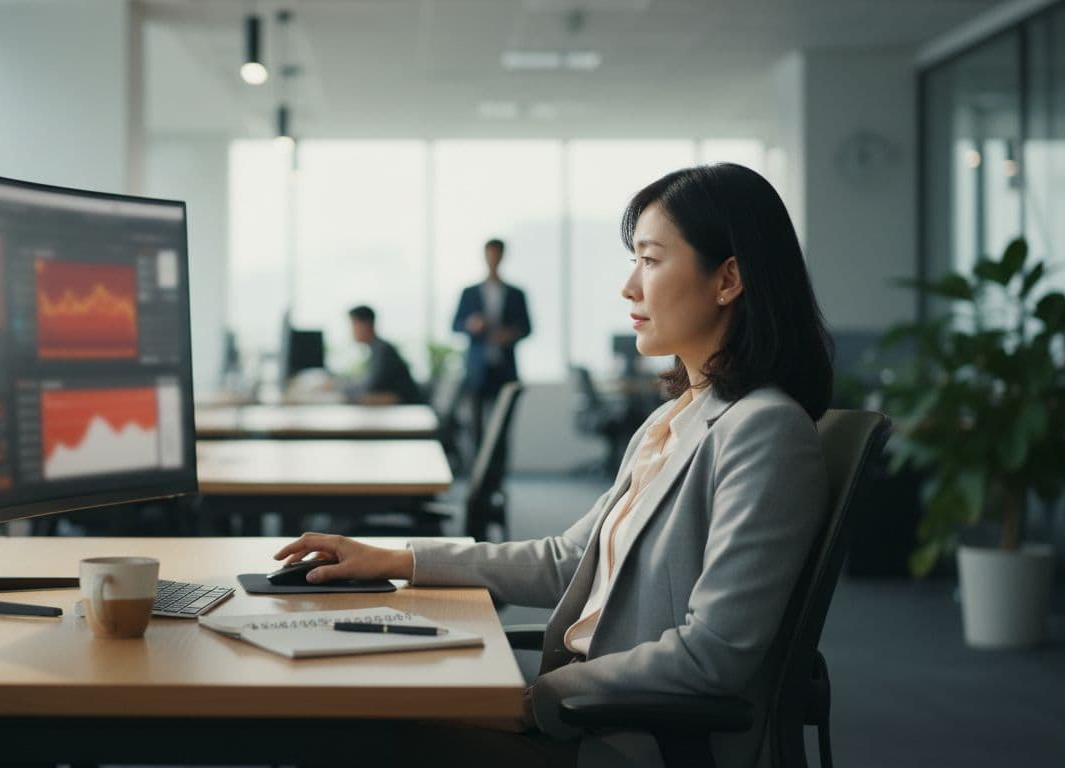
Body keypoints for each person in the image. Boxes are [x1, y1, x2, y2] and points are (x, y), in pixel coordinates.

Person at [272, 163, 834, 768]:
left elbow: (711, 655)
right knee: (344, 707)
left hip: (625, 737)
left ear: (728, 279)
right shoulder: (673, 418)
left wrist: (530, 702)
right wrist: (396, 560)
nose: (629, 288)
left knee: (343, 729)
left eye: (650, 260)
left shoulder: (763, 431)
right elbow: (568, 559)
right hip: (584, 714)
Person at [452, 238, 532, 463]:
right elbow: (455, 325)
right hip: (477, 370)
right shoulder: (469, 293)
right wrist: (471, 325)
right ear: (485, 256)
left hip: (504, 369)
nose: (493, 259)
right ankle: (477, 474)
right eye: (490, 254)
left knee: (502, 428)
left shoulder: (516, 294)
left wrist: (511, 334)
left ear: (503, 256)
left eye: (497, 254)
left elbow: (527, 328)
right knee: (476, 428)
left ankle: (498, 476)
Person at [341, 305, 422, 405]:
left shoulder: (382, 350)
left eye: (353, 325)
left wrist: (340, 387)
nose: (351, 331)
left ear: (366, 325)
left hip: (408, 407)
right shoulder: (378, 348)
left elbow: (370, 385)